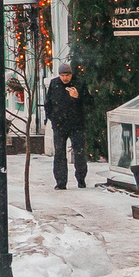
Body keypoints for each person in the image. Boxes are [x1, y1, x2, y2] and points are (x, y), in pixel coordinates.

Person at [46, 58, 90, 191]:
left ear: (71, 74)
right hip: (59, 124)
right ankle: (60, 182)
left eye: (67, 75)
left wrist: (78, 97)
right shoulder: (54, 84)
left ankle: (81, 178)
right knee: (59, 153)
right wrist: (52, 118)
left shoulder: (79, 84)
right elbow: (48, 103)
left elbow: (88, 103)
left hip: (76, 124)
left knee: (79, 152)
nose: (65, 78)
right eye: (62, 75)